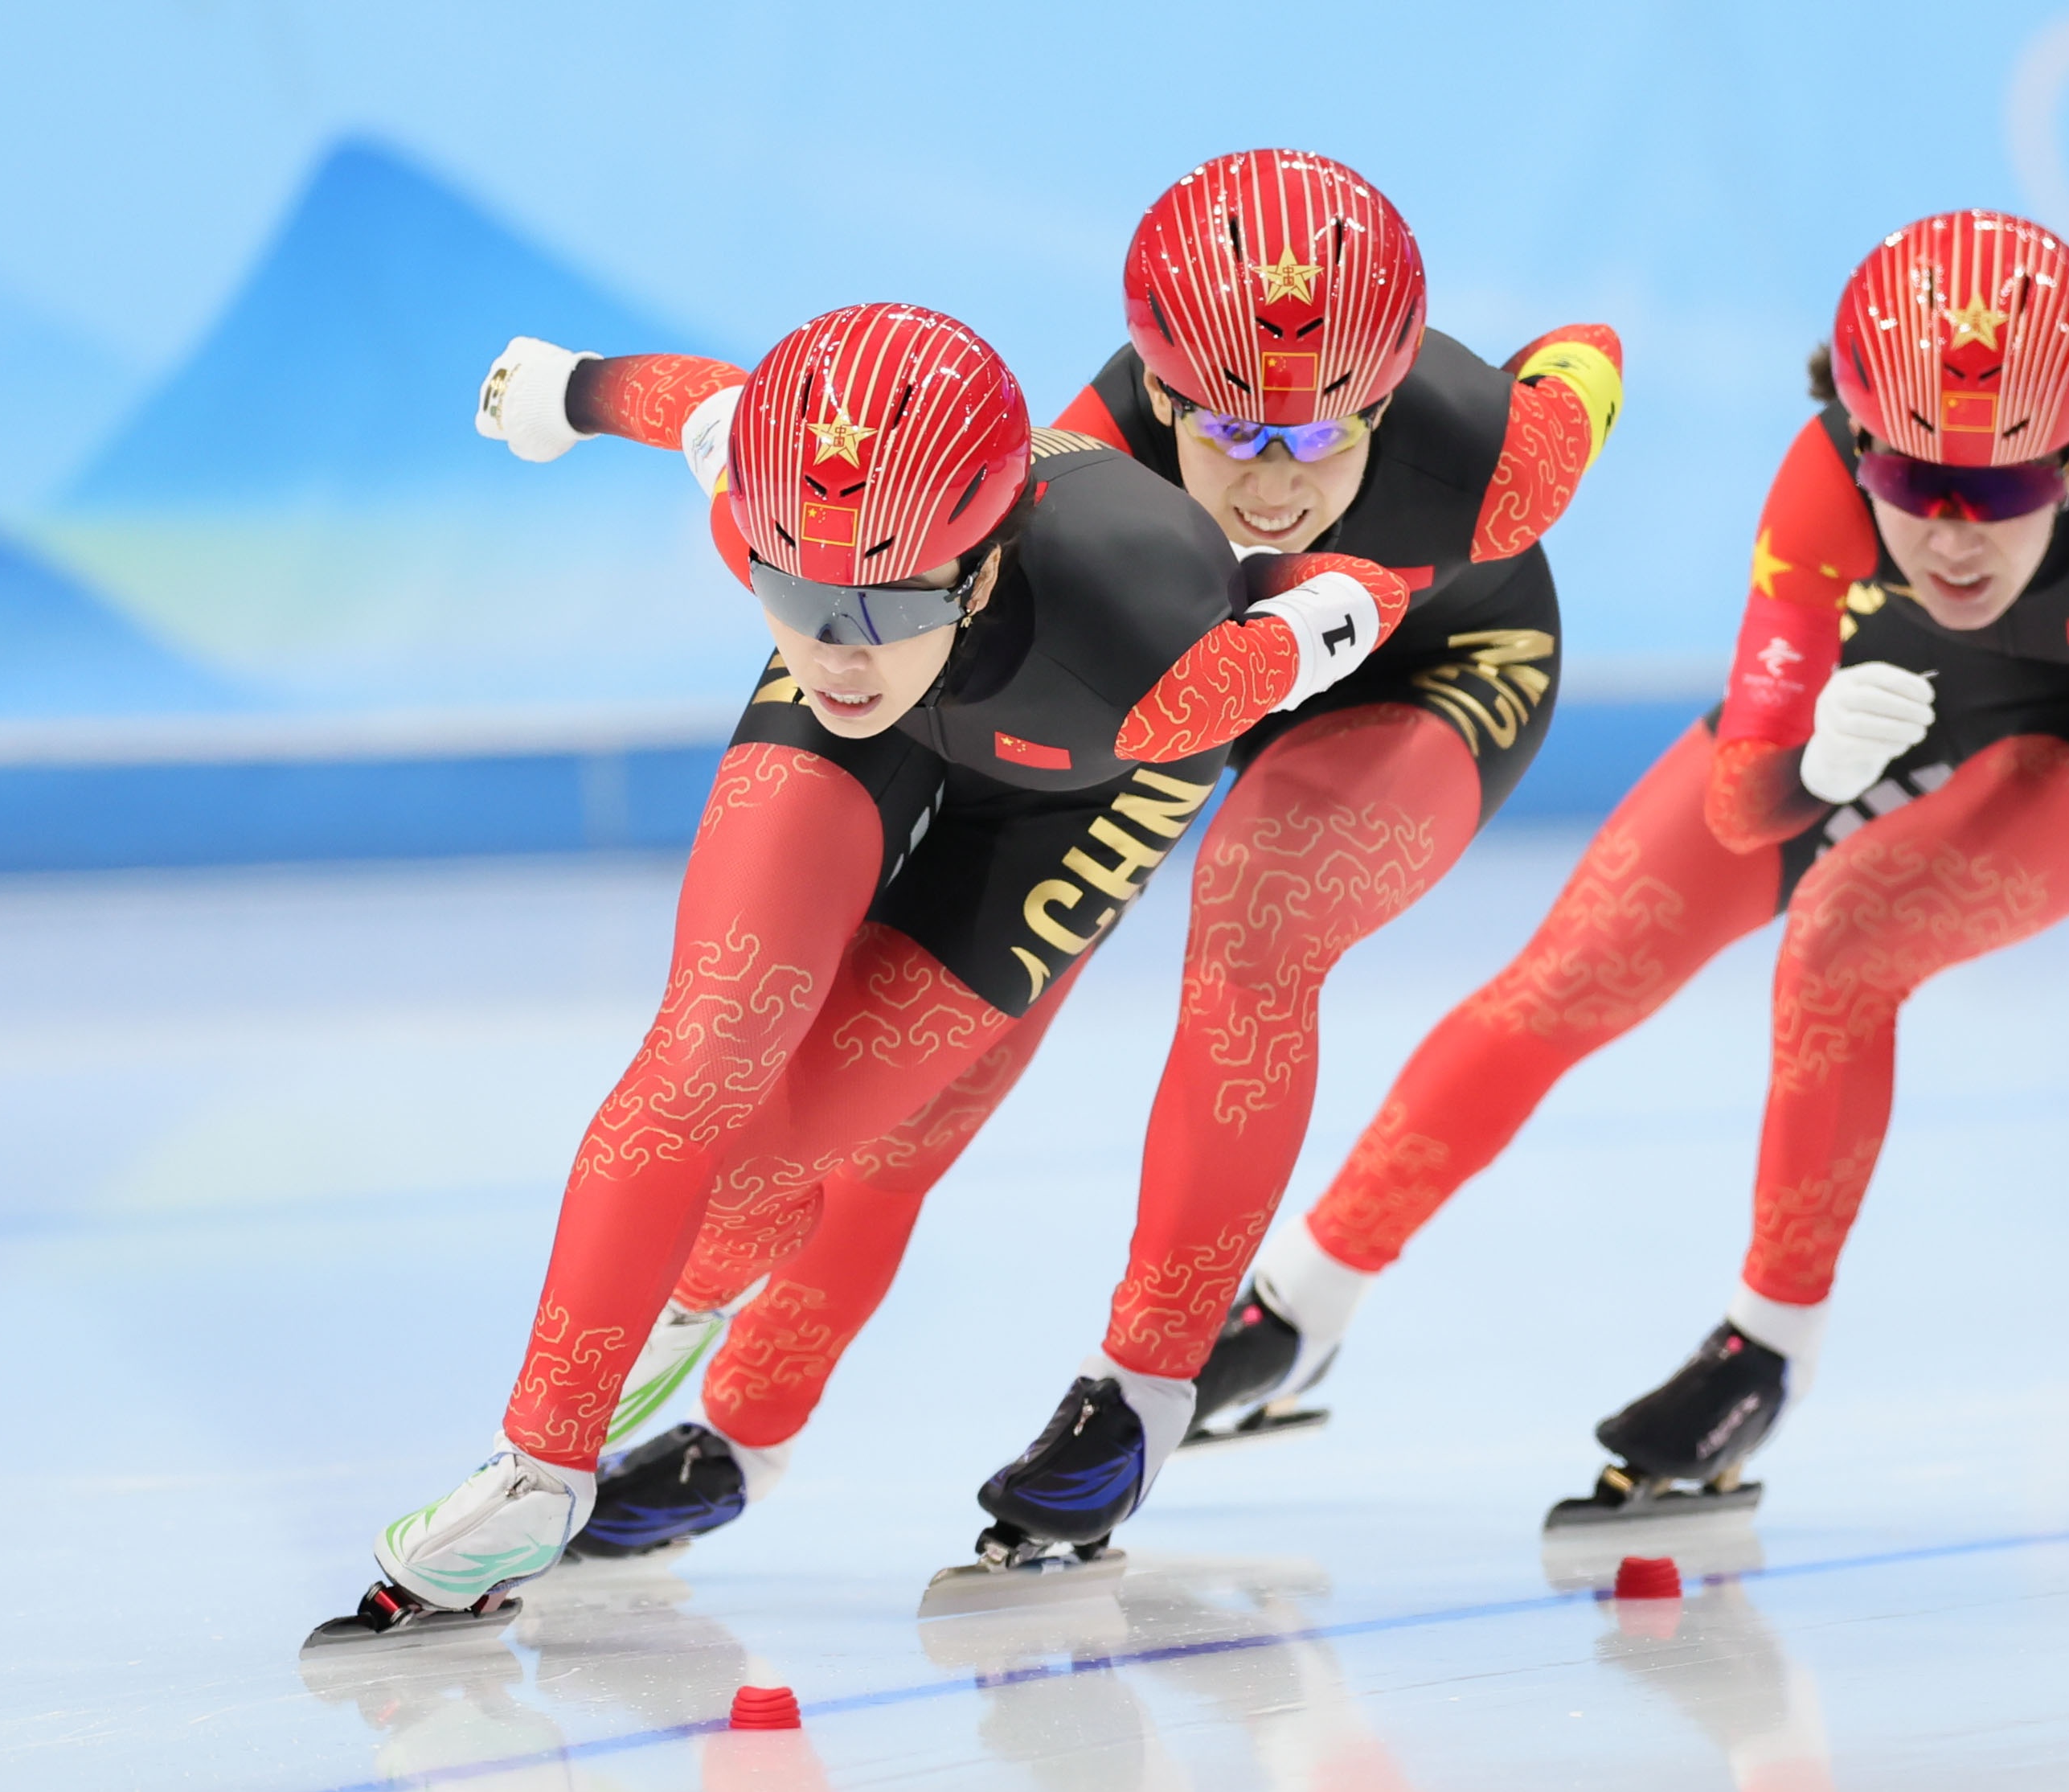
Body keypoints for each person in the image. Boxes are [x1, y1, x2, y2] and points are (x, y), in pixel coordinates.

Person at [1204, 209, 2069, 1517]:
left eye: (2006, 488)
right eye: (1915, 484)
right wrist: (1810, 765)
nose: (1955, 537)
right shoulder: (1824, 488)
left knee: (1846, 940)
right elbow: (1750, 811)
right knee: (1579, 971)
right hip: (1900, 667)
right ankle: (1303, 1304)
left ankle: (1769, 1349)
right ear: (1860, 443)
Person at [572, 150, 1624, 1579]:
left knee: (1257, 917)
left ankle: (1141, 1392)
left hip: (1426, 680)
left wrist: (1545, 374)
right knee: (940, 1071)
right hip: (1185, 686)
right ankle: (742, 1435)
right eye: (1226, 436)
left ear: (1384, 402)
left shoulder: (1498, 464)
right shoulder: (1083, 466)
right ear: (1160, 390)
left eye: (1320, 442)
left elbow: (1586, 360)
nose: (1267, 489)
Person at [318, 300, 1409, 1637]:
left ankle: (694, 1308)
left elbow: (1360, 587)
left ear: (984, 566)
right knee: (702, 1052)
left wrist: (1331, 616)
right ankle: (537, 1473)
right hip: (912, 728)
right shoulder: (779, 513)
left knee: (779, 1166)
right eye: (795, 593)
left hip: (1082, 785)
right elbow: (696, 405)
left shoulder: (1158, 637)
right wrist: (566, 388)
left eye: (887, 601)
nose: (839, 647)